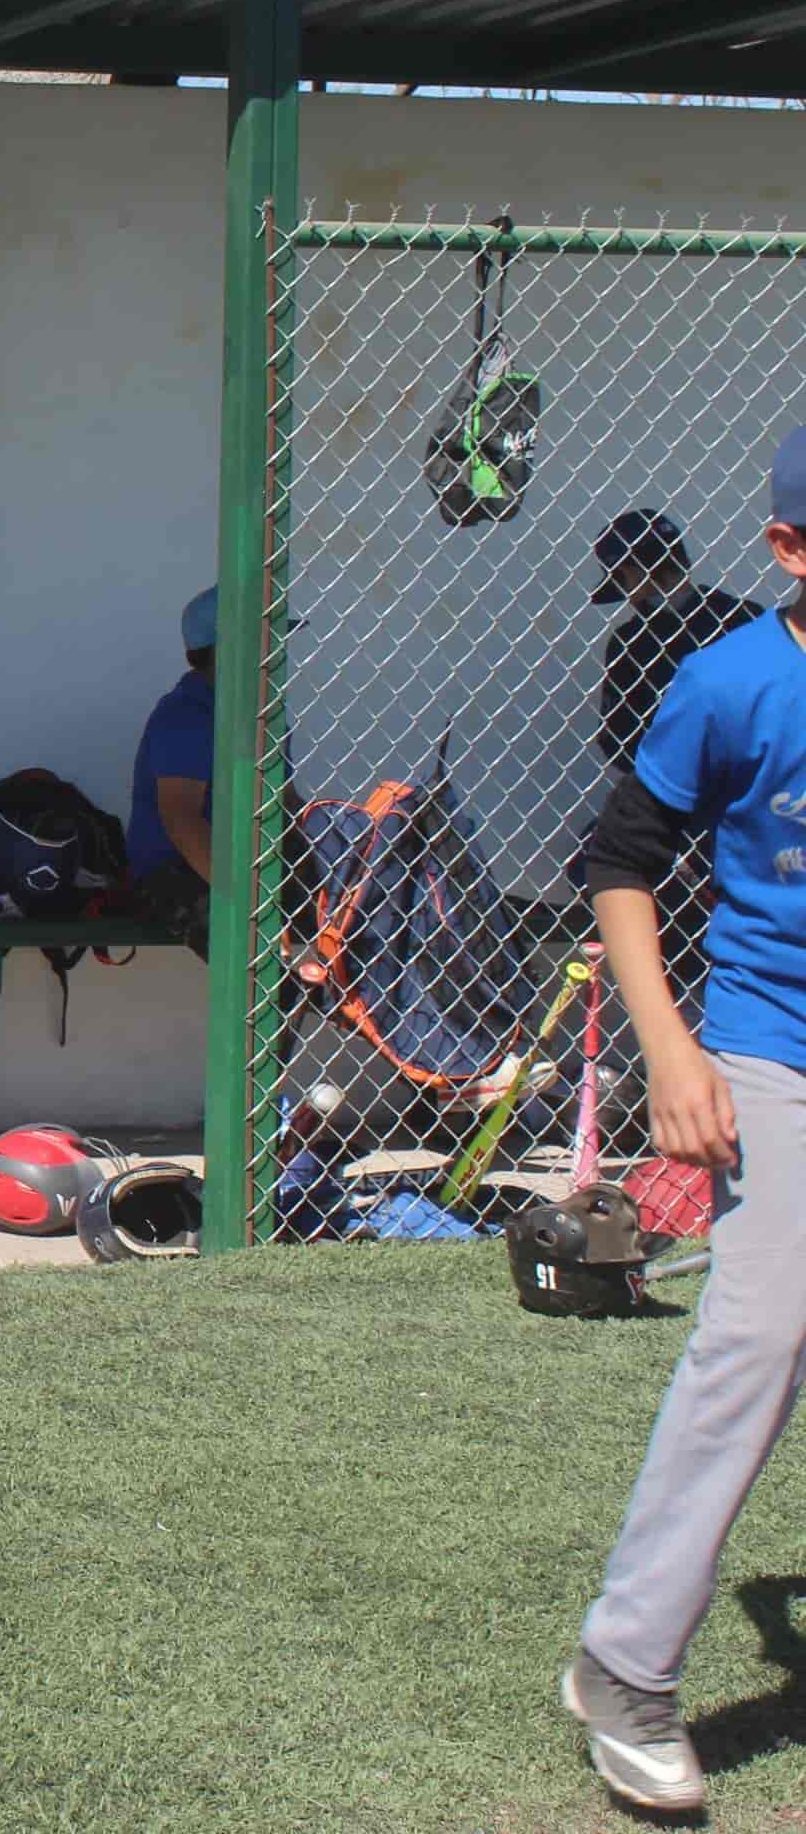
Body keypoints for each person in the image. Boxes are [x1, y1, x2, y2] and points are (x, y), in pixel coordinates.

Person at [559, 430, 806, 1815]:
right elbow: (621, 862)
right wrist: (673, 1049)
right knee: (762, 1333)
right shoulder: (731, 685)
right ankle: (629, 1666)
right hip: (773, 1049)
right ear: (791, 549)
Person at [591, 508, 763, 770]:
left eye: (622, 579)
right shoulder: (744, 616)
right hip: (723, 779)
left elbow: (618, 740)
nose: (626, 594)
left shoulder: (633, 642)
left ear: (634, 572)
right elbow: (617, 739)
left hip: (690, 782)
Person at [129, 586, 222, 951]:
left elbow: (289, 805)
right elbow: (183, 820)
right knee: (238, 936)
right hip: (175, 871)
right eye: (266, 639)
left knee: (360, 905)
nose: (277, 651)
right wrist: (246, 901)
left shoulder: (265, 708)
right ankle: (309, 1002)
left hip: (251, 867)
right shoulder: (186, 714)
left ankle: (343, 999)